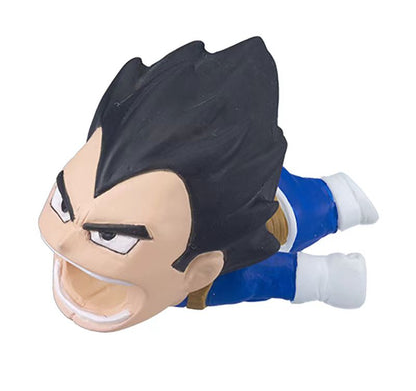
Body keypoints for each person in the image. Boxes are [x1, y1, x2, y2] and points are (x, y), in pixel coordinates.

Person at [38, 37, 377, 332]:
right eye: (64, 206)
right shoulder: (161, 277)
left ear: (201, 272)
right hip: (210, 210)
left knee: (292, 219)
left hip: (252, 210)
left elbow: (268, 277)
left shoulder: (207, 278)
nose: (65, 242)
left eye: (111, 237)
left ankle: (340, 198)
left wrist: (323, 279)